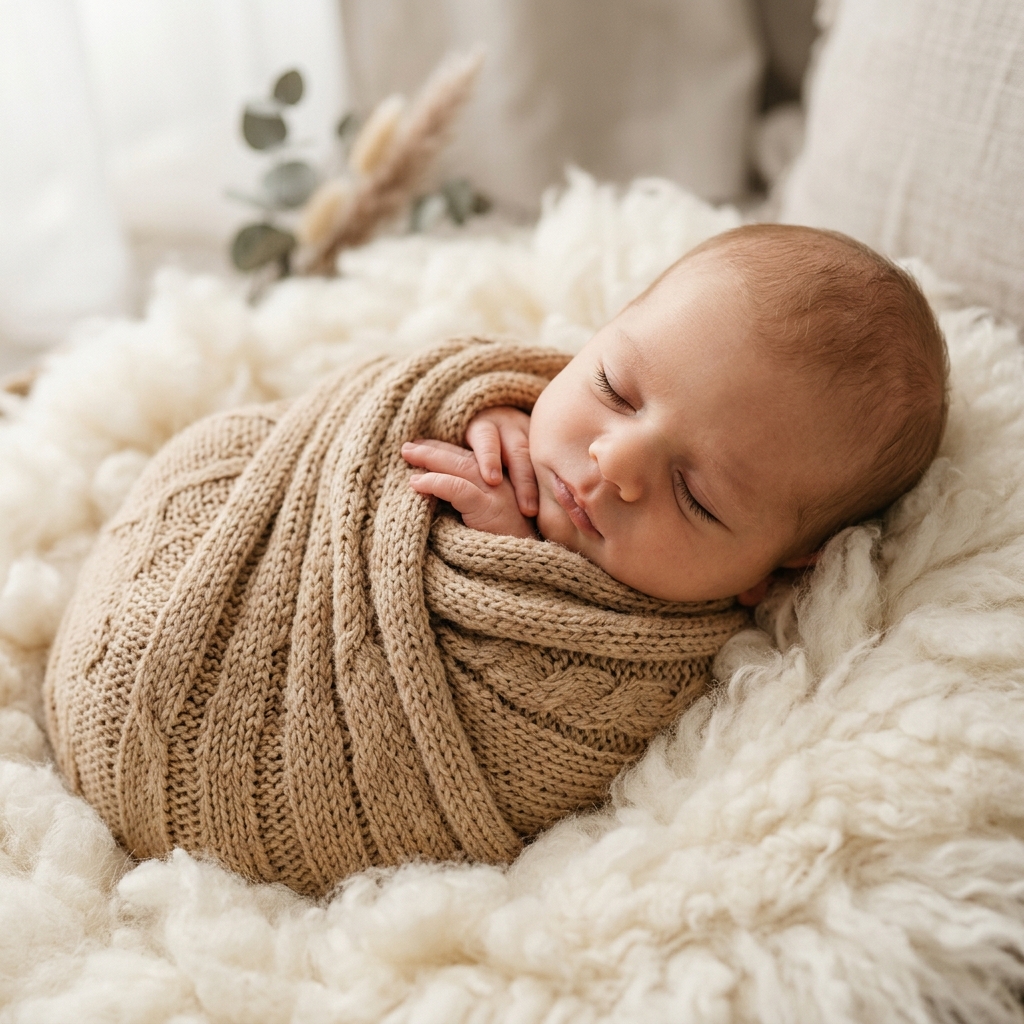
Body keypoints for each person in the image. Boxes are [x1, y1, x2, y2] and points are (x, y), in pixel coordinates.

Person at [402, 224, 949, 606]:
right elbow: (414, 386)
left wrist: (512, 560)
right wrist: (479, 407)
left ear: (782, 566)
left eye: (694, 497)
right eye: (614, 390)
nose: (614, 461)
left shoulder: (675, 654)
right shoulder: (516, 405)